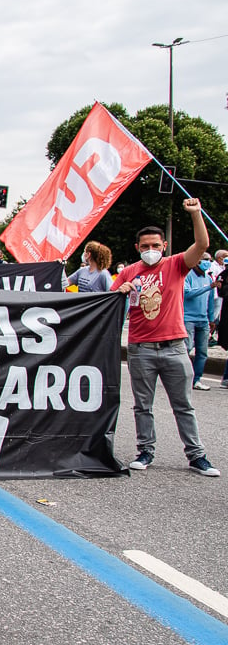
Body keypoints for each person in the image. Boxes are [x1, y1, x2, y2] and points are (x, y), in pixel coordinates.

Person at [111, 197, 220, 476]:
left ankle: (196, 455)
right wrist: (120, 292)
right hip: (141, 348)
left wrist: (196, 214)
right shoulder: (128, 272)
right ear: (137, 248)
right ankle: (145, 450)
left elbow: (202, 246)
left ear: (164, 246)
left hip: (174, 346)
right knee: (142, 406)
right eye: (145, 246)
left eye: (155, 246)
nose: (150, 250)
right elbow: (106, 301)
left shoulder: (175, 265)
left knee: (183, 405)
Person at [182, 253, 218, 391]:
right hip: (188, 319)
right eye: (205, 260)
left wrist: (211, 318)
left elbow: (210, 301)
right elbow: (188, 293)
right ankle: (183, 378)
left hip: (203, 320)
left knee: (202, 352)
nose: (208, 262)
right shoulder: (187, 275)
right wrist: (209, 287)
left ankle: (196, 379)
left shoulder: (208, 277)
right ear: (196, 261)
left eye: (209, 260)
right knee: (186, 348)